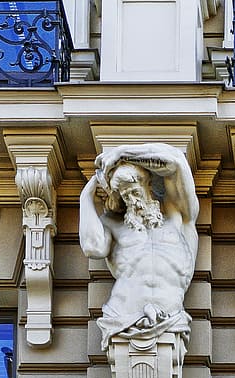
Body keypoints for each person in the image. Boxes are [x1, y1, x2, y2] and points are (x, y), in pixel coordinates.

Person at [80, 143, 199, 349]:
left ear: (148, 185)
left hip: (170, 317)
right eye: (124, 195)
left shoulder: (177, 215)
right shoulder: (114, 224)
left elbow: (176, 161)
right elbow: (93, 247)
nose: (131, 199)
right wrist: (86, 196)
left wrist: (122, 153)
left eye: (134, 191)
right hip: (123, 316)